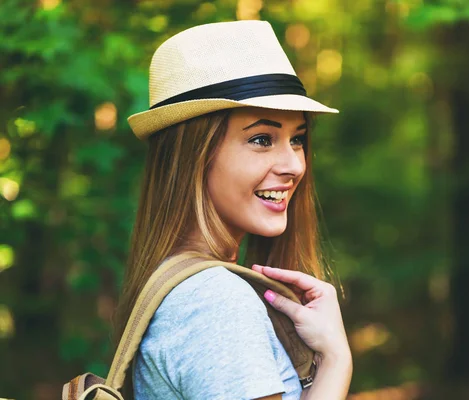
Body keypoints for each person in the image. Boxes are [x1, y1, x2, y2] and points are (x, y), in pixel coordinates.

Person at [113, 20, 352, 399]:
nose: (294, 165)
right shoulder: (213, 301)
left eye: (298, 139)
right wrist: (337, 361)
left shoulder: (190, 289)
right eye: (261, 139)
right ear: (193, 156)